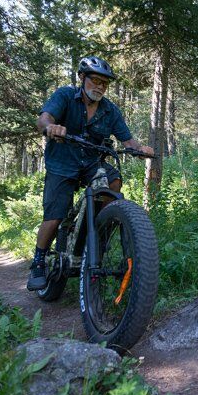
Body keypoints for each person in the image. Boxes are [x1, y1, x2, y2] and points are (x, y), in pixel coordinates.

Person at [27, 56, 153, 291]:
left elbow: (127, 140)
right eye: (95, 80)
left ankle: (97, 235)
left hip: (92, 163)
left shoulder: (110, 110)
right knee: (55, 216)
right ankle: (38, 261)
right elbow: (44, 119)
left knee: (114, 181)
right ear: (82, 78)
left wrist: (140, 149)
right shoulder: (65, 96)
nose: (100, 86)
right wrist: (50, 127)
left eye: (104, 83)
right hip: (62, 162)